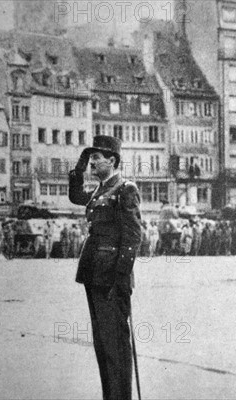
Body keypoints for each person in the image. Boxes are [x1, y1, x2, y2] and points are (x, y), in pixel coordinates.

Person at [69, 135, 143, 399]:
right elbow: (76, 194)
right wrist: (78, 168)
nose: (92, 163)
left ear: (112, 161)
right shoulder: (99, 191)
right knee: (102, 344)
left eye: (96, 158)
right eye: (90, 159)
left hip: (111, 277)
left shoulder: (125, 189)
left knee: (115, 347)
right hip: (94, 273)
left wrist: (121, 277)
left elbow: (133, 236)